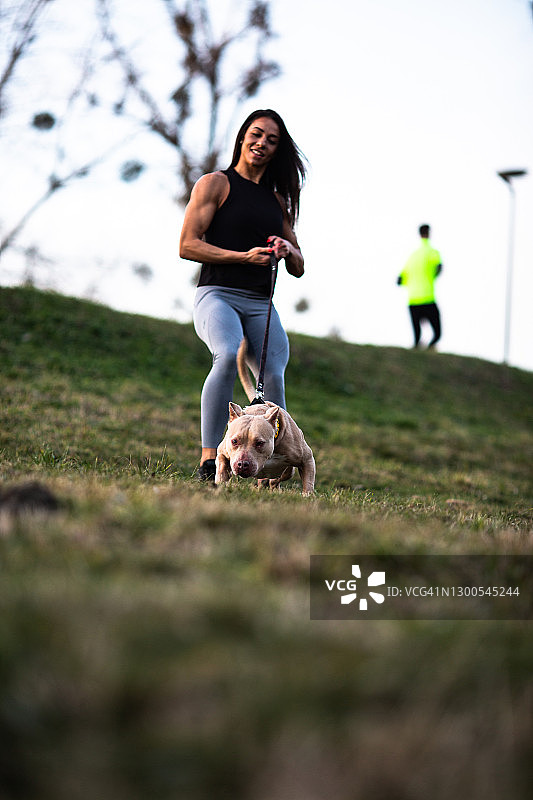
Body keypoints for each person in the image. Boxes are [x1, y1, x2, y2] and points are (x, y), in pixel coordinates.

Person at [179, 109, 307, 481]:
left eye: (272, 140)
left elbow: (298, 265)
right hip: (216, 294)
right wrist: (243, 256)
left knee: (273, 374)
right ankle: (209, 458)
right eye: (256, 134)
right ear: (242, 137)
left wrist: (288, 249)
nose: (262, 143)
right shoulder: (215, 184)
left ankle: (275, 465)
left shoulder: (276, 202)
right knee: (226, 356)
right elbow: (187, 245)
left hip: (260, 304)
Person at [397, 224, 443, 349]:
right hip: (428, 298)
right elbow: (439, 267)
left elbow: (400, 279)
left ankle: (419, 352)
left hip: (413, 300)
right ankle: (429, 349)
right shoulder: (432, 252)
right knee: (437, 334)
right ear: (429, 233)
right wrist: (433, 276)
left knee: (417, 338)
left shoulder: (412, 256)